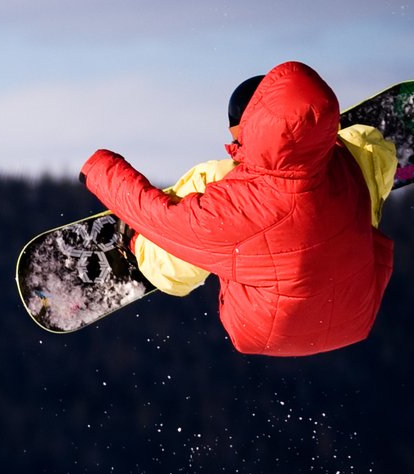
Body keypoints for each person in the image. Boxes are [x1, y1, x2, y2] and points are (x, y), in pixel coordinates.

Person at [79, 61, 397, 357]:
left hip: (265, 329)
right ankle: (370, 170)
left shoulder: (237, 206)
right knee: (362, 143)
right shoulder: (351, 159)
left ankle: (148, 258)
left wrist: (99, 171)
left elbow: (161, 218)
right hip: (358, 314)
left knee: (209, 187)